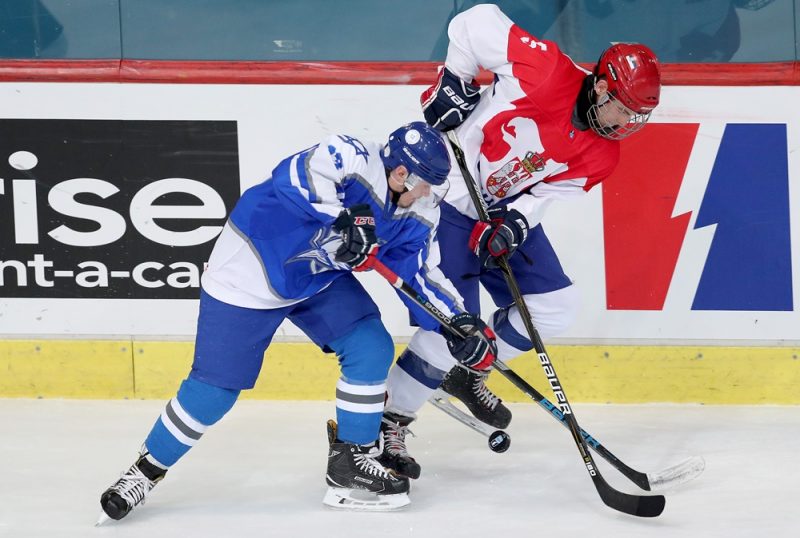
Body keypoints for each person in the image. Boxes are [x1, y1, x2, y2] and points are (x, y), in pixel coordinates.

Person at [96, 121, 498, 522]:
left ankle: (350, 462)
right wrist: (342, 219)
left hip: (315, 277)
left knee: (369, 346)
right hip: (251, 269)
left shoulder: (418, 210)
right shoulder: (350, 155)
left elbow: (420, 273)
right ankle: (145, 471)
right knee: (214, 392)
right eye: (424, 184)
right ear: (399, 173)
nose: (429, 194)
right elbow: (294, 177)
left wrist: (457, 321)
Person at [380, 3, 661, 475]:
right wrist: (457, 79)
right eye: (622, 109)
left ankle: (471, 372)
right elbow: (473, 20)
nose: (625, 125)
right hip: (449, 194)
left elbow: (551, 188)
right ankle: (390, 421)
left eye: (637, 118)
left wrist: (518, 222)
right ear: (600, 85)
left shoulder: (603, 155)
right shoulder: (547, 70)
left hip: (498, 213)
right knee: (452, 326)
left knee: (556, 306)